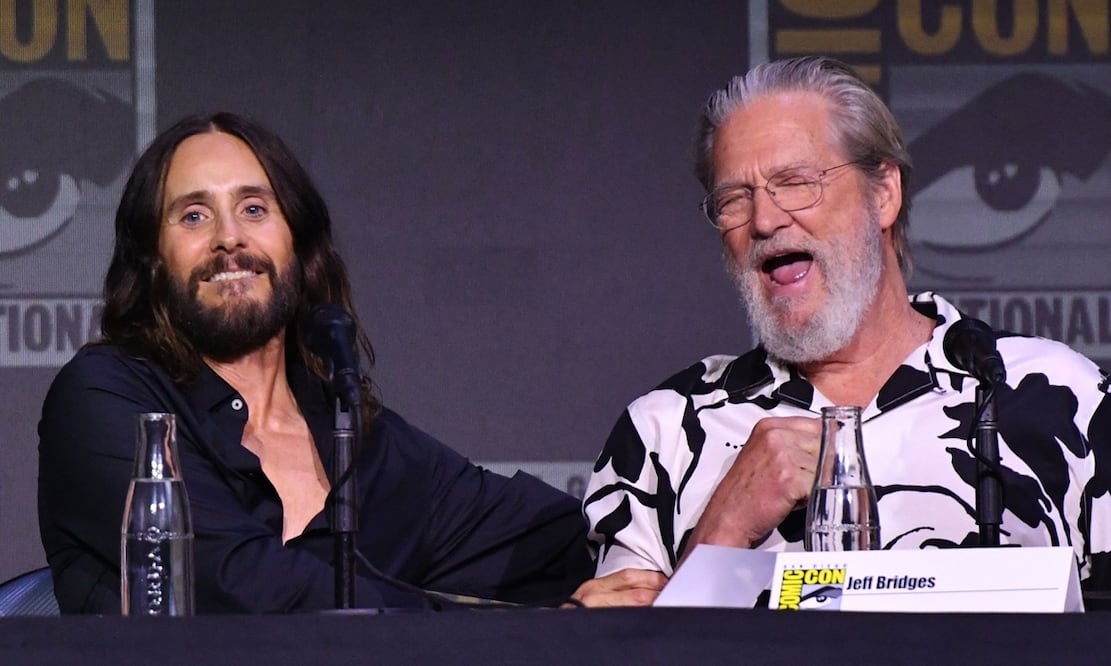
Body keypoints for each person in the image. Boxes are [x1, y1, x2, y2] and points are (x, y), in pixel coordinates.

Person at [583, 56, 1111, 600]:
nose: (764, 220)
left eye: (795, 182)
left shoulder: (1061, 398)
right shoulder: (663, 435)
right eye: (734, 199)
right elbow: (631, 653)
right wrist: (725, 531)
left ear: (883, 192)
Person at [38, 112, 601, 614]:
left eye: (254, 209)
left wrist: (637, 557)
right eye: (192, 217)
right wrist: (441, 623)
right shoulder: (106, 398)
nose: (228, 238)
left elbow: (549, 539)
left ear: (299, 246)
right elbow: (240, 585)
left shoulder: (364, 443)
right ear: (152, 260)